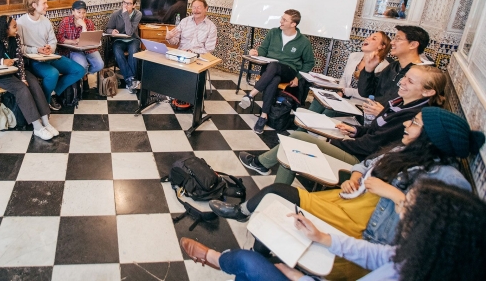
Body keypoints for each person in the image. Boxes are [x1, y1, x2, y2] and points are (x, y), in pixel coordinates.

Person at [211, 107, 482, 248]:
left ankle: (243, 213)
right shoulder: (405, 150)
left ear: (433, 138)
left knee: (278, 194)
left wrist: (392, 193)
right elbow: (367, 163)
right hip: (349, 199)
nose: (408, 125)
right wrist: (354, 175)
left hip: (361, 224)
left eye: (415, 124)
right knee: (279, 195)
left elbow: (425, 227)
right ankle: (247, 217)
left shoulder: (447, 179)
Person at [181, 177, 486, 281]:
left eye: (407, 209)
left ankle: (213, 258)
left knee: (248, 262)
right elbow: (374, 253)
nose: (400, 212)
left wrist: (301, 277)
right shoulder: (417, 257)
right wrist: (322, 237)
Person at [235, 64, 446, 186]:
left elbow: (372, 145)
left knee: (298, 139)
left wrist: (338, 142)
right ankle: (270, 180)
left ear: (428, 92)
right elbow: (374, 131)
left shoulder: (411, 116)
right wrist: (356, 129)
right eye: (405, 78)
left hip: (361, 159)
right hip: (360, 145)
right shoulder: (400, 103)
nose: (402, 83)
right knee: (299, 141)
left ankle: (268, 176)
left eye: (410, 81)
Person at [0, 16, 57, 140]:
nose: (17, 28)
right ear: (4, 29)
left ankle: (46, 121)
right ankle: (37, 127)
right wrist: (2, 61)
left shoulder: (16, 38)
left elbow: (19, 59)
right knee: (21, 89)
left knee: (34, 84)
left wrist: (23, 77)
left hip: (15, 70)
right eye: (14, 27)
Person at [239, 9, 315, 134]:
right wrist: (256, 52)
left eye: (285, 20)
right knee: (274, 79)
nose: (281, 21)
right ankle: (263, 116)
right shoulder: (273, 32)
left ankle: (251, 95)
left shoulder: (303, 42)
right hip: (270, 70)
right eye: (282, 18)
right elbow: (263, 49)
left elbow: (309, 63)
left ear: (293, 24)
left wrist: (297, 77)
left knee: (275, 65)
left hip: (289, 71)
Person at [18, 0, 86, 110]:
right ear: (34, 5)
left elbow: (53, 41)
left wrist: (50, 47)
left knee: (80, 70)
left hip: (51, 56)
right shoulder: (21, 23)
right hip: (34, 60)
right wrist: (36, 50)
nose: (47, 6)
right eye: (44, 3)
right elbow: (19, 48)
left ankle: (51, 93)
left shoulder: (45, 21)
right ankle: (45, 103)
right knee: (53, 73)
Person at [309, 31, 391, 116]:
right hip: (343, 96)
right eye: (369, 36)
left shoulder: (384, 67)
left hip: (360, 103)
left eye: (373, 38)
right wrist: (340, 92)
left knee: (328, 112)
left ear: (381, 46)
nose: (367, 38)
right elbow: (344, 78)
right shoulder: (354, 56)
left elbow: (373, 94)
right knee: (318, 101)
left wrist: (349, 92)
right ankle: (301, 129)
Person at [358, 25, 429, 113]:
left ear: (413, 45)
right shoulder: (394, 66)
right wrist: (368, 70)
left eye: (398, 39)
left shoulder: (423, 73)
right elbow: (365, 92)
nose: (392, 42)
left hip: (388, 124)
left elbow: (414, 112)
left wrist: (384, 113)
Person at [56, 0, 104, 83]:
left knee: (100, 65)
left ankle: (84, 75)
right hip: (73, 50)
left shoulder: (89, 23)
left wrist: (84, 27)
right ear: (73, 12)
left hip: (88, 49)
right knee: (83, 64)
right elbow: (59, 39)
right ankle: (83, 81)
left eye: (84, 12)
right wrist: (74, 41)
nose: (81, 15)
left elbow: (91, 39)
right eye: (79, 12)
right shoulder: (66, 21)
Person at [105, 0, 142, 93]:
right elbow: (107, 29)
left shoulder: (138, 14)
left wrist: (125, 15)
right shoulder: (116, 14)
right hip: (119, 39)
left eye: (129, 3)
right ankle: (131, 80)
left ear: (134, 5)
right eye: (124, 3)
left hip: (133, 39)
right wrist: (111, 31)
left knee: (133, 51)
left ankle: (129, 81)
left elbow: (130, 32)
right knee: (117, 51)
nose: (126, 5)